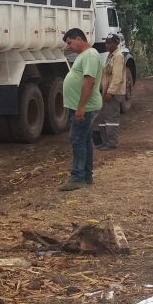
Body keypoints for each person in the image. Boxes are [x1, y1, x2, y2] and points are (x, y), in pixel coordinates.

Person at [60, 28, 103, 191]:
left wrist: (81, 108)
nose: (69, 46)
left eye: (70, 42)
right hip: (83, 107)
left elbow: (89, 81)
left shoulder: (90, 55)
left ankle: (78, 177)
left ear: (79, 39)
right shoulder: (84, 55)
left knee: (77, 139)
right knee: (84, 140)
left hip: (86, 107)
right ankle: (86, 176)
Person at [96, 34, 126, 150]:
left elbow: (117, 77)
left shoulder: (118, 56)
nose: (107, 45)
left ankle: (112, 143)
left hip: (113, 93)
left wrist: (110, 92)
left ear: (116, 43)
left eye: (109, 43)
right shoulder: (110, 56)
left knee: (111, 119)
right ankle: (105, 142)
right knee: (103, 118)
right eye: (106, 42)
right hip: (106, 92)